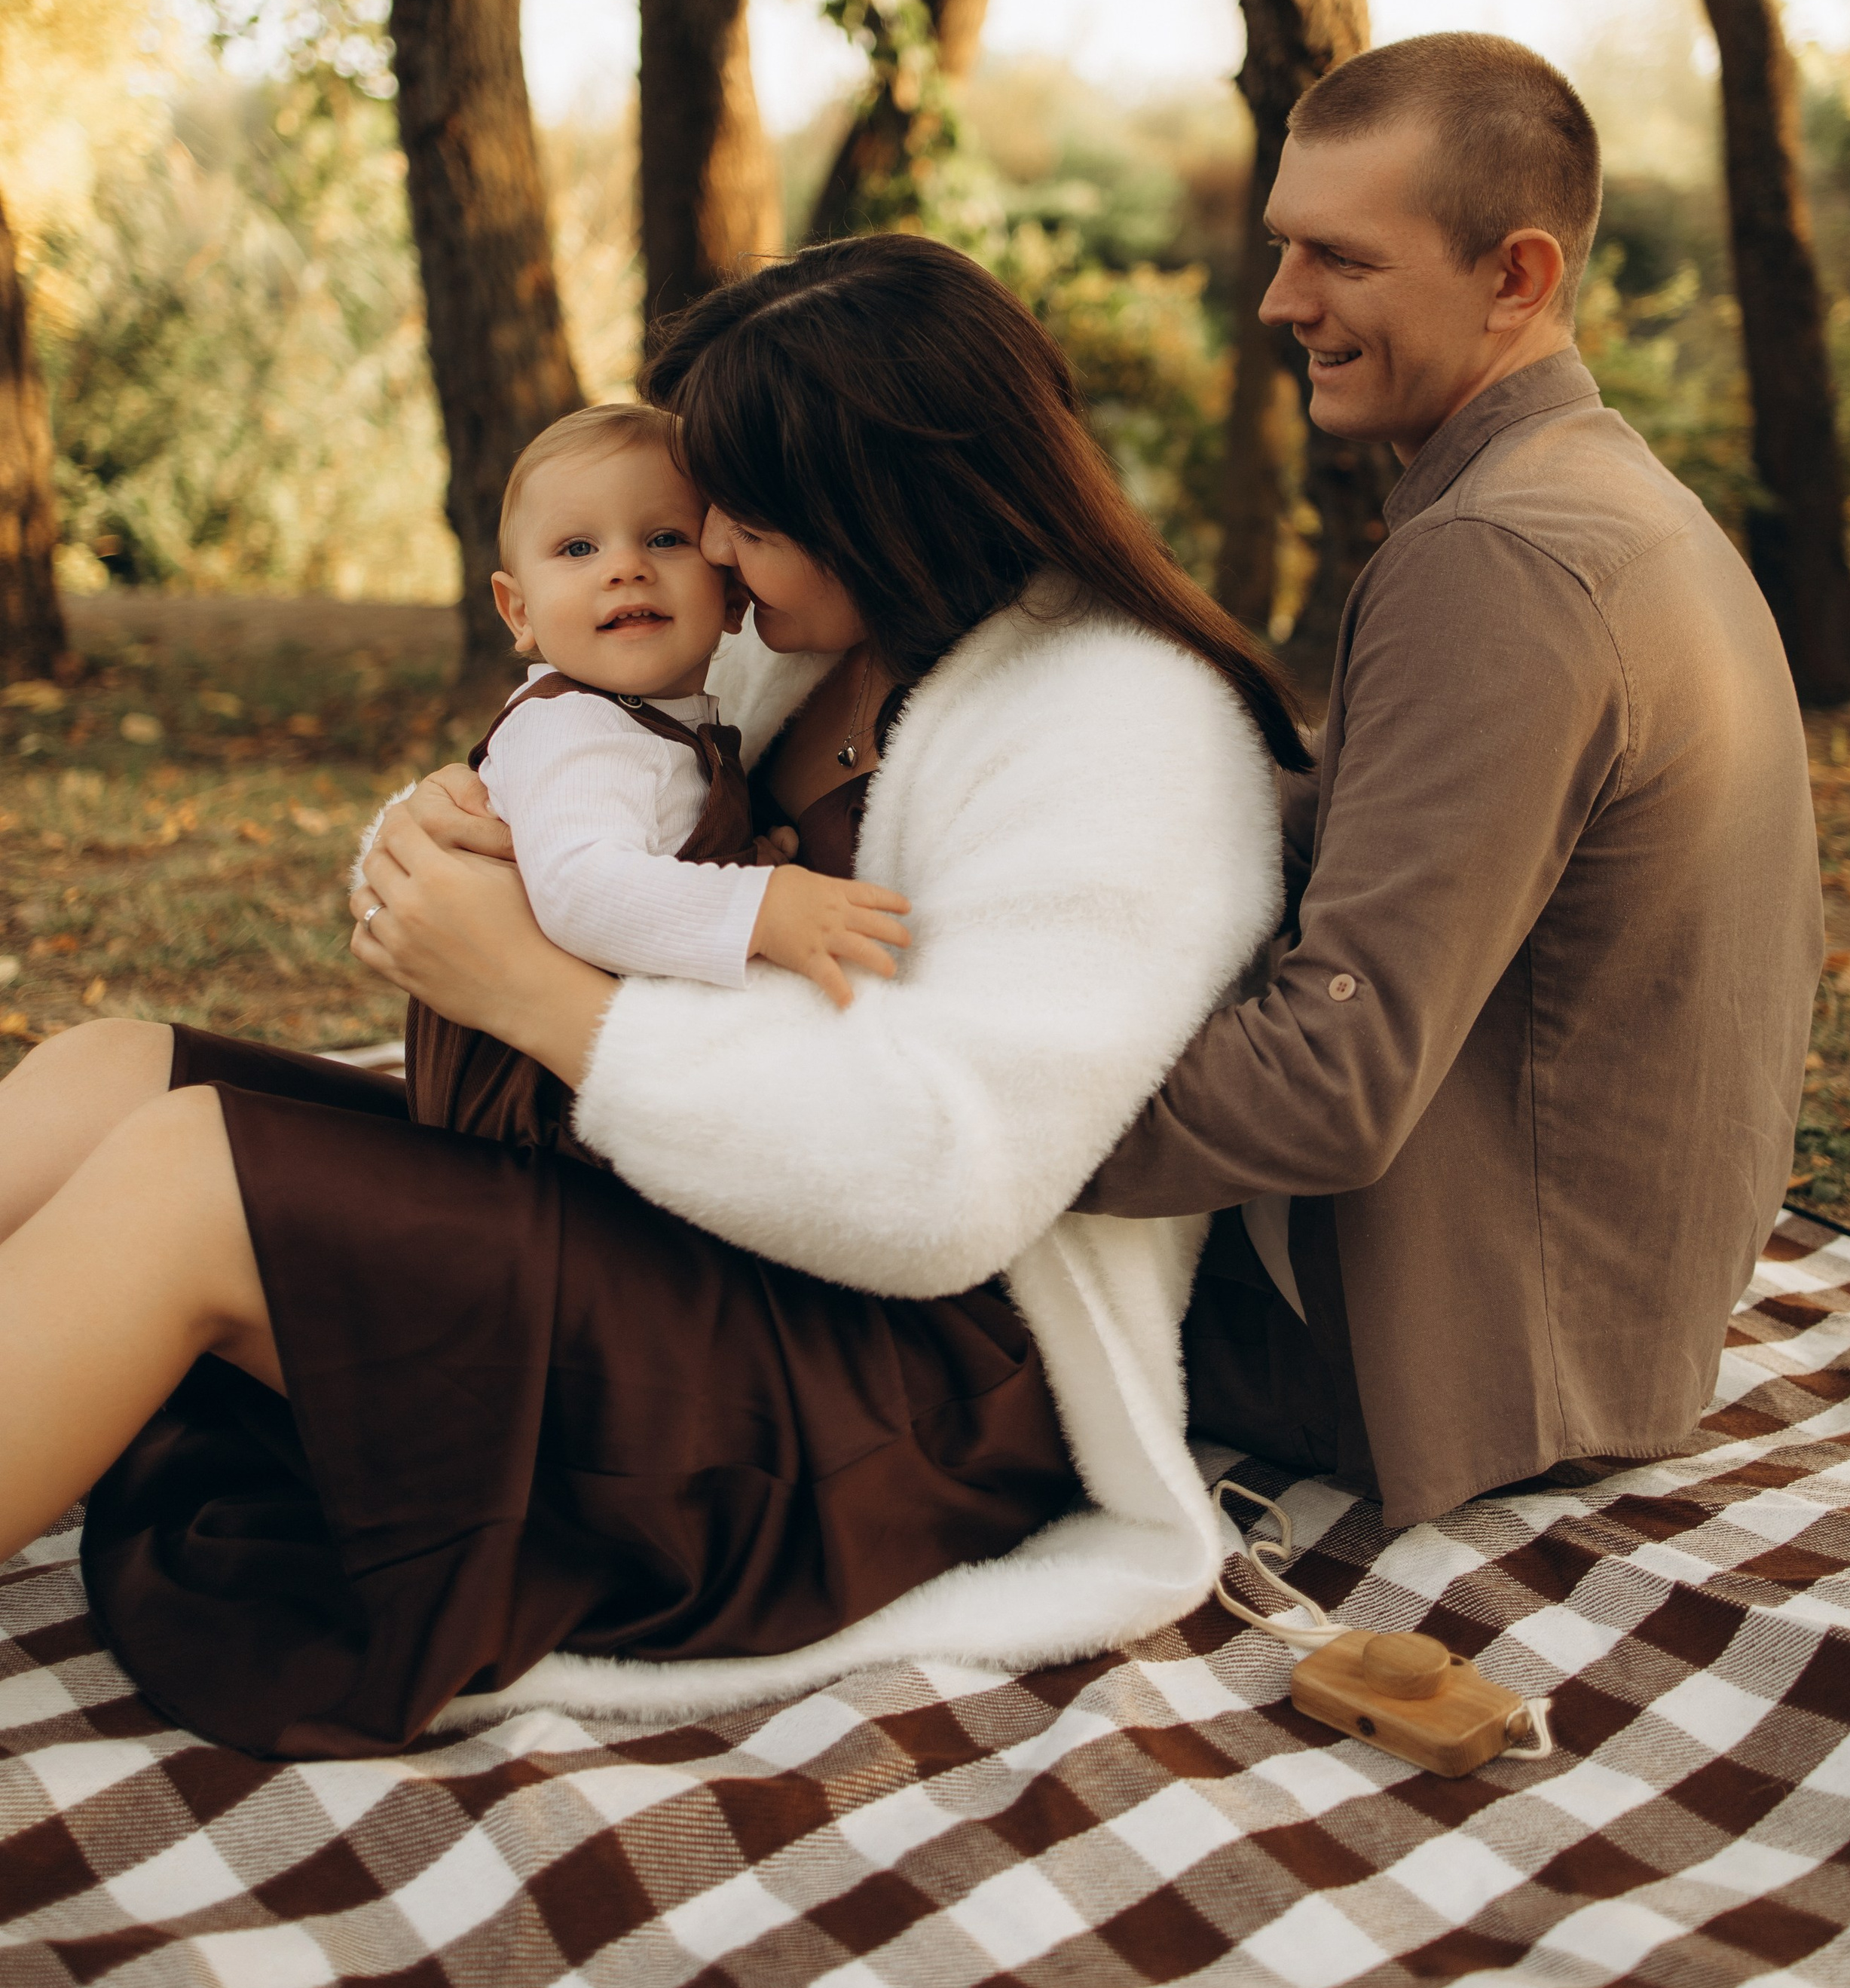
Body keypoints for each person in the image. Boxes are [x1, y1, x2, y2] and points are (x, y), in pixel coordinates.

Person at [0, 235, 1293, 1757]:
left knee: (190, 1181)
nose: (711, 550)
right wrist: (438, 837)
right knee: (114, 1072)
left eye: (745, 513)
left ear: (880, 502)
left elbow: (944, 1181)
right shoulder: (800, 650)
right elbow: (592, 809)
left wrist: (540, 999)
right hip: (677, 1225)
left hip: (887, 1389)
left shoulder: (1120, 727)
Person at [1079, 31, 1824, 1528]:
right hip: (1612, 1311)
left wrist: (943, 1108)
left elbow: (1326, 1091)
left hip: (1460, 1360)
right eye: (1284, 246)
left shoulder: (1492, 560)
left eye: (1341, 258)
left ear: (1514, 277)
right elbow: (1372, 825)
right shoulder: (1593, 491)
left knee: (819, 1273)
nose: (1281, 300)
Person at [403, 400, 915, 1160]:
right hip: (533, 1114)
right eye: (577, 548)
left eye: (665, 539)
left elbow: (651, 847)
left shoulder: (654, 722)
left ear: (732, 595)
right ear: (519, 611)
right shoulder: (573, 728)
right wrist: (760, 907)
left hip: (600, 1087)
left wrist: (741, 856)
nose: (624, 567)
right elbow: (580, 888)